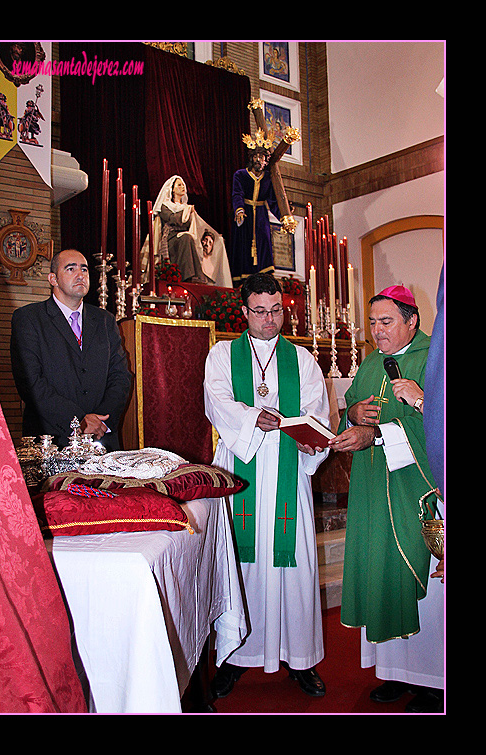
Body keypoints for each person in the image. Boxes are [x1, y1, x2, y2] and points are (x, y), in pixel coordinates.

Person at [204, 273, 330, 698]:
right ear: (244, 312)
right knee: (240, 567)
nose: (269, 319)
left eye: (276, 310)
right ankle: (235, 656)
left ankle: (300, 660)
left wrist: (313, 439)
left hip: (288, 472)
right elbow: (217, 399)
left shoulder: (304, 360)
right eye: (259, 311)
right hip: (242, 469)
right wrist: (250, 418)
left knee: (293, 567)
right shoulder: (222, 355)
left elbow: (318, 412)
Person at [329, 285, 444, 713]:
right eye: (373, 323)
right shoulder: (371, 363)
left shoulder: (436, 357)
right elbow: (353, 409)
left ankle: (434, 679)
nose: (377, 332)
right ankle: (395, 673)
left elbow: (437, 428)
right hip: (373, 490)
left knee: (423, 582)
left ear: (411, 320)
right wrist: (353, 415)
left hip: (416, 491)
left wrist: (376, 431)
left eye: (386, 322)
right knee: (380, 571)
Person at [10, 249, 132, 450]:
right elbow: (30, 382)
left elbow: (120, 377)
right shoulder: (29, 319)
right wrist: (79, 421)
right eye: (70, 269)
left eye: (84, 269)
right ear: (53, 279)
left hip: (102, 441)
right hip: (52, 441)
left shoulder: (105, 320)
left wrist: (101, 421)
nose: (80, 275)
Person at [147, 175, 232, 287]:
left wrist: (214, 235)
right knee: (187, 238)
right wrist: (185, 212)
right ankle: (187, 277)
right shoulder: (164, 206)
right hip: (171, 238)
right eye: (179, 185)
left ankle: (197, 276)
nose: (182, 187)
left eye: (183, 185)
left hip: (187, 236)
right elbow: (174, 219)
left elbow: (199, 225)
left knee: (194, 239)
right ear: (172, 189)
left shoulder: (187, 207)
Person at [229, 147, 281, 285]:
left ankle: (264, 279)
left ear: (266, 161)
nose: (258, 160)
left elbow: (273, 201)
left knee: (263, 242)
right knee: (244, 245)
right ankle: (243, 282)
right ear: (251, 158)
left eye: (262, 157)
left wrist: (284, 216)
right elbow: (237, 193)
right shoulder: (240, 175)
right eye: (256, 156)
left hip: (261, 216)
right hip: (245, 215)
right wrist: (239, 209)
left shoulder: (268, 178)